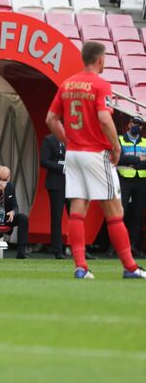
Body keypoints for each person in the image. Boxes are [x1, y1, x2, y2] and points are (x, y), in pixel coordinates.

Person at [45, 40, 145, 279]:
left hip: (74, 154)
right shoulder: (101, 85)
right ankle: (130, 267)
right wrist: (116, 146)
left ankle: (80, 267)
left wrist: (68, 141)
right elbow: (104, 118)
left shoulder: (67, 84)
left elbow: (51, 119)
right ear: (100, 60)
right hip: (95, 153)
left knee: (78, 209)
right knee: (114, 210)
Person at [116, 116, 146, 257]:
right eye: (135, 123)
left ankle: (133, 247)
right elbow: (118, 159)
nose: (137, 126)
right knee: (119, 214)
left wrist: (133, 163)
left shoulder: (145, 141)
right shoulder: (120, 139)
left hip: (141, 181)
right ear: (129, 124)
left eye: (140, 124)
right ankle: (115, 247)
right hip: (124, 179)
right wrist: (139, 159)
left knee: (137, 215)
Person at [40, 132, 69, 259]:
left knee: (76, 217)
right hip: (56, 183)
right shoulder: (49, 139)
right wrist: (61, 167)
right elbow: (44, 161)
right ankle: (58, 250)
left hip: (72, 182)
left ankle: (80, 248)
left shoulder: (73, 139)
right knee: (57, 218)